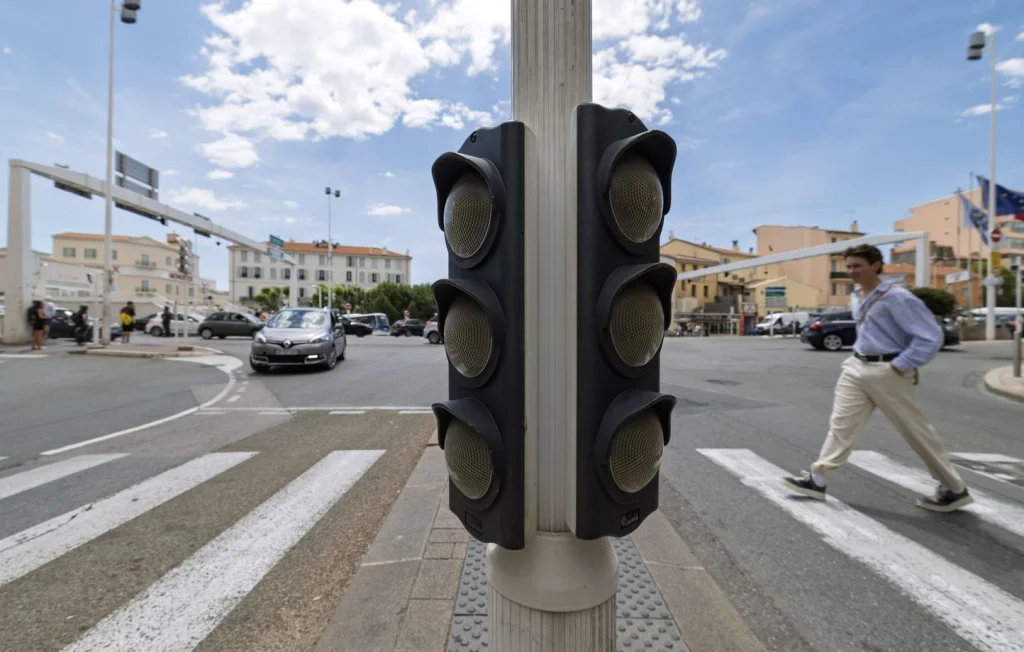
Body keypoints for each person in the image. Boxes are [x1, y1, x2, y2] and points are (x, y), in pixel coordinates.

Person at [782, 244, 973, 512]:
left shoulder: (898, 297)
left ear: (876, 265)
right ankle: (818, 479)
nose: (852, 271)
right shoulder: (857, 295)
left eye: (858, 266)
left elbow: (930, 336)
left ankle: (954, 488)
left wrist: (900, 365)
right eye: (849, 266)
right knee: (841, 425)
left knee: (915, 431)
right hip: (856, 366)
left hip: (888, 371)